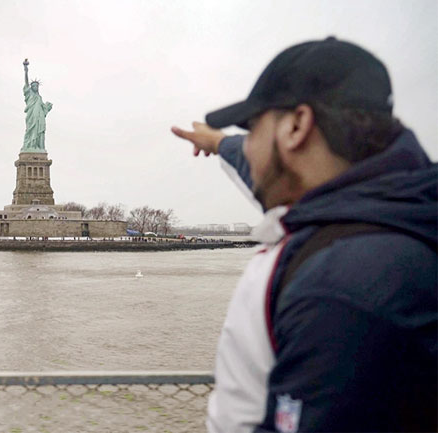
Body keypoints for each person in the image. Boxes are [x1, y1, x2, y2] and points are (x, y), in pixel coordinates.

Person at [171, 37, 436, 432]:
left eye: (252, 128)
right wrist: (218, 143)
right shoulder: (390, 208)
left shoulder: (339, 287)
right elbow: (258, 159)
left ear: (296, 127)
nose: (249, 148)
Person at [22, 59, 53, 151]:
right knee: (31, 130)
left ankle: (38, 147)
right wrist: (26, 70)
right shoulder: (29, 94)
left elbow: (44, 109)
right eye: (34, 86)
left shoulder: (39, 97)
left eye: (37, 86)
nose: (36, 87)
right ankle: (30, 146)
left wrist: (47, 108)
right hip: (32, 116)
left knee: (39, 132)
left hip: (39, 117)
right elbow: (26, 83)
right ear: (31, 87)